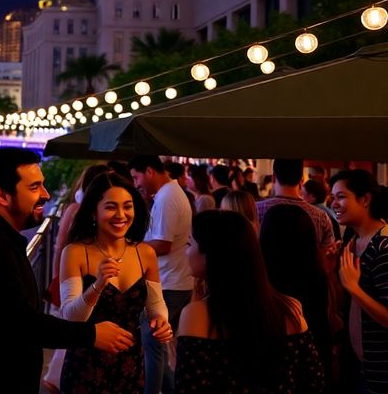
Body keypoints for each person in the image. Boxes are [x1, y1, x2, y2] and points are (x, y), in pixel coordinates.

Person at [0, 148, 134, 393]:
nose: (46, 194)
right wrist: (91, 334)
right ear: (2, 196)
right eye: (34, 187)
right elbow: (19, 322)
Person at [176, 210, 325, 392]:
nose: (186, 251)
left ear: (211, 254)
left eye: (190, 243)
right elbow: (313, 381)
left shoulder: (197, 314)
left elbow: (188, 386)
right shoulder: (289, 309)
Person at [58, 171, 173, 393]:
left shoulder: (145, 253)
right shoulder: (75, 252)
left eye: (128, 206)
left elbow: (156, 304)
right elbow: (70, 317)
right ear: (93, 211)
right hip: (85, 366)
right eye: (111, 207)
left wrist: (161, 322)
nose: (121, 215)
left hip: (131, 364)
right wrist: (97, 286)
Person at [128, 155, 194, 394]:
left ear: (149, 171)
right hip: (173, 281)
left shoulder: (168, 197)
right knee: (159, 347)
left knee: (152, 347)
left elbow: (163, 245)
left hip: (169, 283)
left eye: (136, 177)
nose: (136, 184)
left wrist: (129, 250)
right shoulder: (168, 195)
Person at [44, 163, 112, 392]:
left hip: (91, 277)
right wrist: (57, 277)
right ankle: (55, 378)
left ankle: (57, 377)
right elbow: (60, 245)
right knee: (71, 325)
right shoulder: (75, 209)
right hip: (76, 278)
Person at [260, 204, 336, 389]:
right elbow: (325, 319)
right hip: (314, 360)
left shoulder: (261, 278)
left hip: (270, 365)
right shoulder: (316, 275)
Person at [333, 169, 388, 393]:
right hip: (359, 365)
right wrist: (330, 271)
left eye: (341, 196)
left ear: (365, 199)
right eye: (332, 197)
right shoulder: (354, 242)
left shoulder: (383, 247)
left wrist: (355, 289)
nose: (333, 204)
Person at [257, 159, 338, 246]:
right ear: (302, 181)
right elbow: (328, 253)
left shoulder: (255, 210)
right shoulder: (321, 217)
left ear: (273, 178)